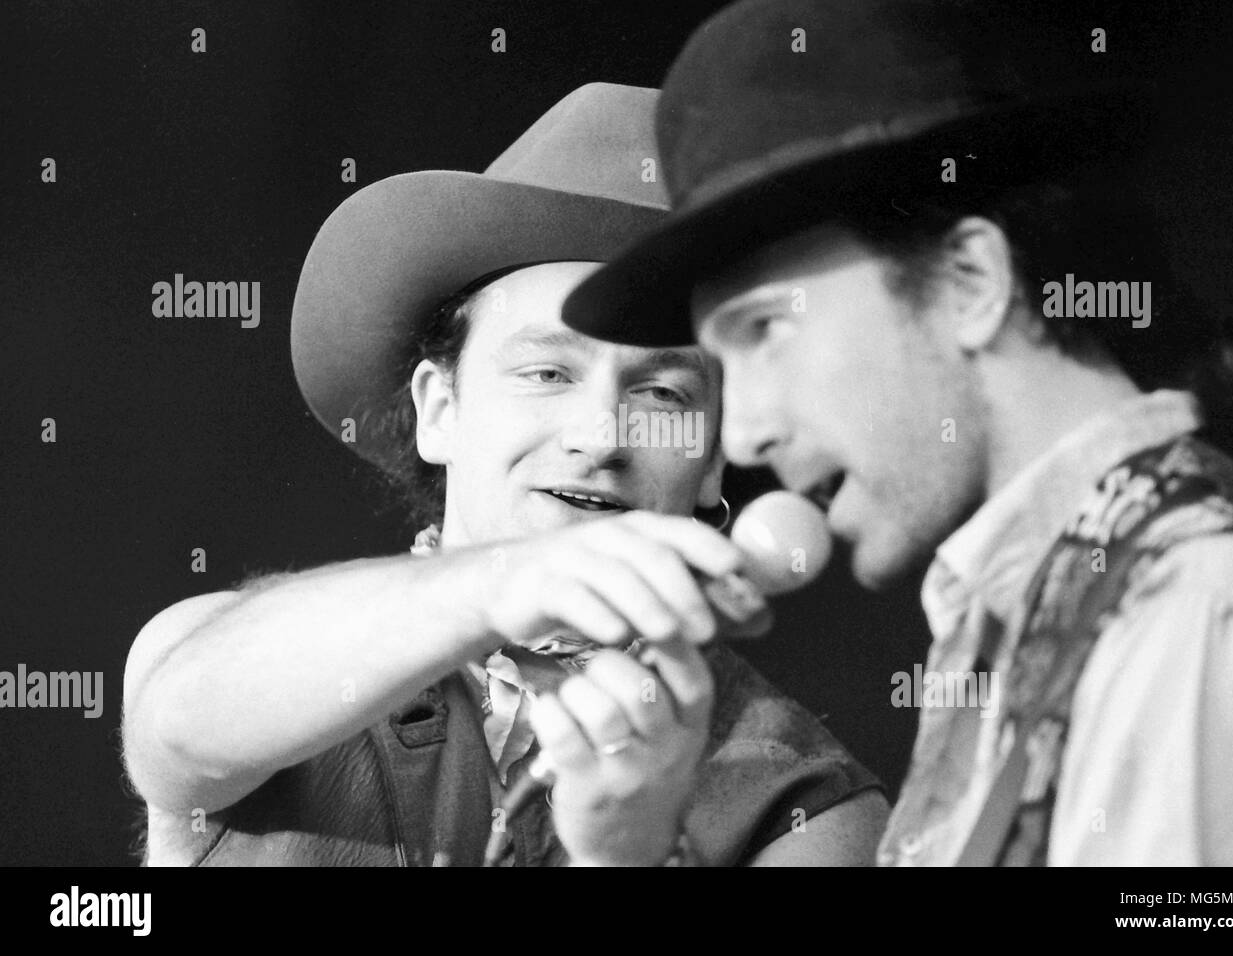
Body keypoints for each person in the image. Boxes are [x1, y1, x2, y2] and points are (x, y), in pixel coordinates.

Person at [562, 2, 1233, 865]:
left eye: (767, 329)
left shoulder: (1203, 604)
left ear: (971, 280)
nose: (749, 434)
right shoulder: (1003, 621)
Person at [120, 82, 888, 867]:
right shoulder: (226, 657)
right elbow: (176, 724)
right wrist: (503, 584)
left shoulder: (812, 809)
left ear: (713, 458)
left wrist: (630, 854)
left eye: (661, 392)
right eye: (548, 373)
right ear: (439, 409)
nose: (600, 436)